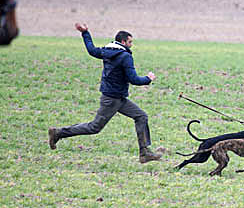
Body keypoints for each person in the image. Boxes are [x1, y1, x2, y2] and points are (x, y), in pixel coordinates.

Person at [48, 23, 162, 163]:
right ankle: (58, 133)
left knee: (141, 116)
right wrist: (148, 79)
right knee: (94, 127)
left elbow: (91, 50)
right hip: (112, 99)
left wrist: (85, 33)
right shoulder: (125, 56)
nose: (131, 45)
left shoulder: (107, 50)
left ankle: (144, 153)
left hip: (118, 98)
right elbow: (133, 79)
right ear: (123, 42)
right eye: (130, 42)